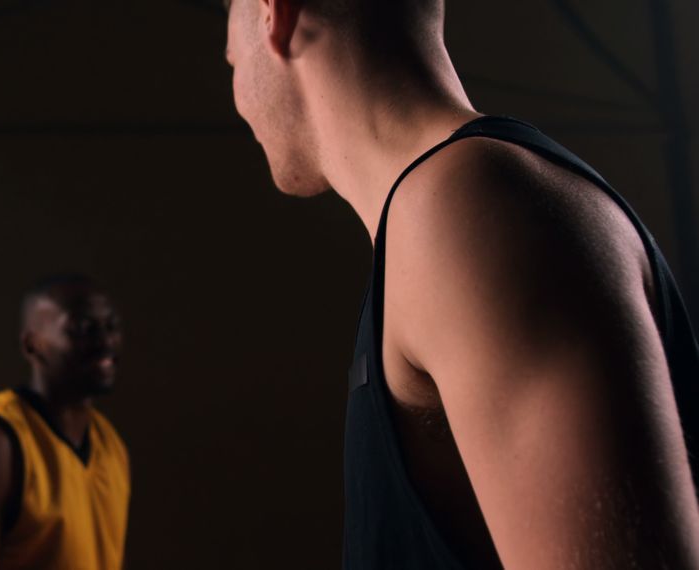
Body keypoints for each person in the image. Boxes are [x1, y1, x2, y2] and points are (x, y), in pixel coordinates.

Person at [222, 0, 699, 567]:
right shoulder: (452, 211)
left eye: (230, 60)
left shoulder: (466, 211)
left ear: (274, 13)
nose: (236, 91)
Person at [0, 275, 130, 570]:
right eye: (83, 329)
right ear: (32, 345)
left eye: (111, 327)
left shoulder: (110, 446)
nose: (106, 342)